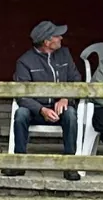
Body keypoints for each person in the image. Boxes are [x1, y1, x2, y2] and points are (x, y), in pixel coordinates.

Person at [8, 20, 83, 177]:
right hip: (36, 110)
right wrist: (41, 109)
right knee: (21, 113)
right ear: (47, 42)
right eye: (57, 36)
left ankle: (70, 165)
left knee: (71, 114)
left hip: (60, 108)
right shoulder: (25, 61)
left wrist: (65, 98)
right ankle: (18, 162)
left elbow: (76, 80)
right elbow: (21, 94)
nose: (61, 38)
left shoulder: (65, 54)